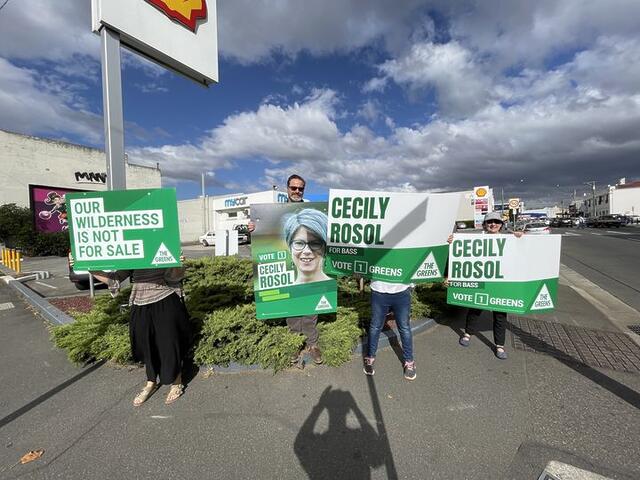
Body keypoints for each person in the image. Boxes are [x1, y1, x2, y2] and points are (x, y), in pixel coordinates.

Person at [85, 257, 192, 406]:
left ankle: (176, 380)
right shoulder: (133, 253)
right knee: (146, 344)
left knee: (168, 344)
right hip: (139, 303)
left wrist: (176, 263)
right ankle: (151, 382)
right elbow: (113, 279)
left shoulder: (164, 242)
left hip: (165, 298)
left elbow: (174, 276)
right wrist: (87, 265)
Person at [249, 174, 323, 365]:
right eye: (294, 188)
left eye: (300, 189)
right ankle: (294, 344)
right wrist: (255, 229)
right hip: (288, 267)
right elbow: (267, 237)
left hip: (310, 267)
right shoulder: (275, 212)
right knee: (292, 309)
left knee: (310, 308)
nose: (297, 191)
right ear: (287, 188)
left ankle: (312, 345)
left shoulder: (310, 210)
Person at [448, 211, 522, 360]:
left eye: (496, 222)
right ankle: (468, 334)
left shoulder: (509, 240)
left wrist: (520, 238)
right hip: (482, 282)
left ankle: (499, 345)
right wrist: (452, 241)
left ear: (501, 225)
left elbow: (522, 254)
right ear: (484, 224)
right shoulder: (478, 239)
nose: (493, 224)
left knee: (500, 315)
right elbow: (462, 254)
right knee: (475, 309)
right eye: (489, 222)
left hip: (501, 283)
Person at [363, 280, 416, 380]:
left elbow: (412, 265)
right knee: (375, 326)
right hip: (379, 290)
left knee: (404, 328)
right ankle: (370, 357)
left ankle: (409, 362)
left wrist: (412, 284)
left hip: (402, 290)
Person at [283, 208, 331, 284]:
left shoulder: (338, 289)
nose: (307, 251)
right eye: (299, 243)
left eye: (315, 244)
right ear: (290, 248)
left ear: (325, 248)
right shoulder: (281, 293)